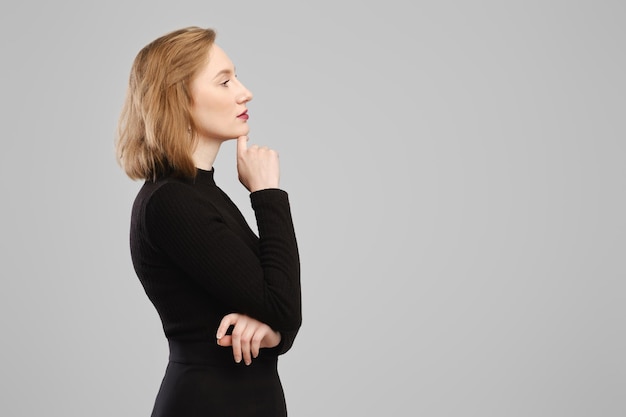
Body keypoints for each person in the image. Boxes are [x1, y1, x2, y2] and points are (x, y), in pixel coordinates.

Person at [115, 26, 302, 416]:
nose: (244, 91)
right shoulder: (171, 202)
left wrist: (273, 335)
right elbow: (284, 305)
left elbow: (277, 309)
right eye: (225, 81)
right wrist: (267, 194)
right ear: (179, 100)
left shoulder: (201, 193)